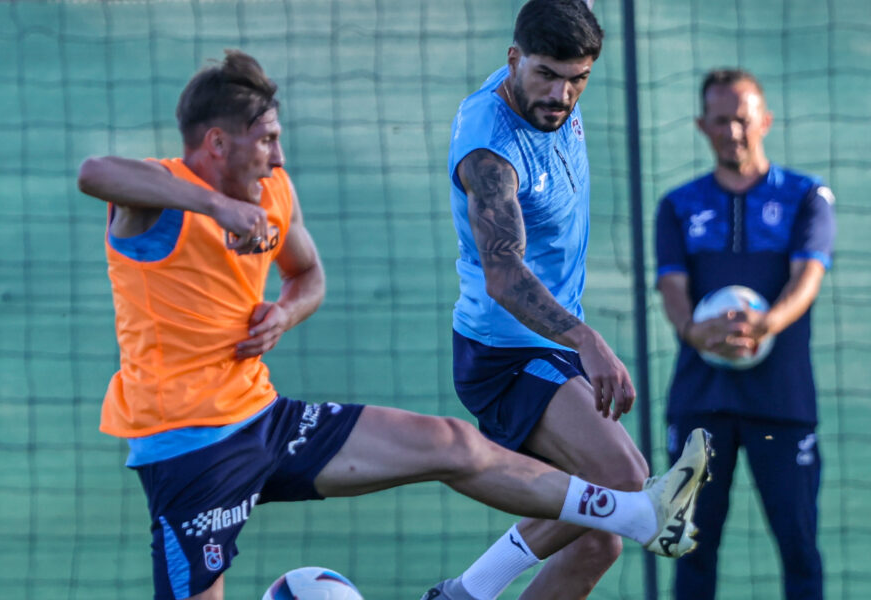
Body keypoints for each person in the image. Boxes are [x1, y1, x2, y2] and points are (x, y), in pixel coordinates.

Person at [76, 49, 710, 600]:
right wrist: (215, 206)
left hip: (265, 421)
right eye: (267, 139)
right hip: (190, 451)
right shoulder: (155, 199)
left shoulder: (272, 191)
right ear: (218, 144)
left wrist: (285, 312)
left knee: (450, 444)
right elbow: (95, 173)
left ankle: (637, 514)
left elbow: (308, 276)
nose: (279, 154)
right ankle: (632, 513)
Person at [423, 2, 689, 599]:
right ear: (513, 59)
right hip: (506, 354)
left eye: (578, 79)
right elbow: (503, 274)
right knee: (621, 477)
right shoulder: (490, 153)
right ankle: (463, 593)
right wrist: (586, 340)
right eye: (546, 74)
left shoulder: (555, 88)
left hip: (551, 343)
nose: (561, 95)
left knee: (597, 542)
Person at [654, 69, 835, 600]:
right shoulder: (678, 205)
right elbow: (671, 286)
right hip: (700, 404)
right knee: (689, 549)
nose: (732, 131)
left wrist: (765, 325)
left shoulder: (806, 196)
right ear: (701, 126)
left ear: (765, 121)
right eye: (719, 120)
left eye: (742, 119)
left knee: (799, 548)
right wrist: (695, 332)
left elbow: (807, 279)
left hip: (782, 403)